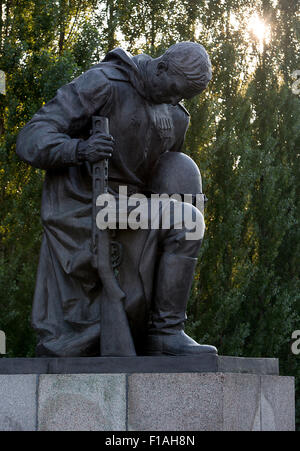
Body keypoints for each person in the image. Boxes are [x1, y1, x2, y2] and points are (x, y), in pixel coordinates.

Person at [16, 42, 217, 357]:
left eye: (183, 97)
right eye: (174, 90)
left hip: (133, 207)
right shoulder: (104, 83)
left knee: (186, 193)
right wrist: (80, 150)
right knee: (187, 220)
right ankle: (165, 331)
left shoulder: (176, 114)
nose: (175, 100)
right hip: (86, 203)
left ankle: (164, 330)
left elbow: (166, 174)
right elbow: (31, 138)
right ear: (161, 68)